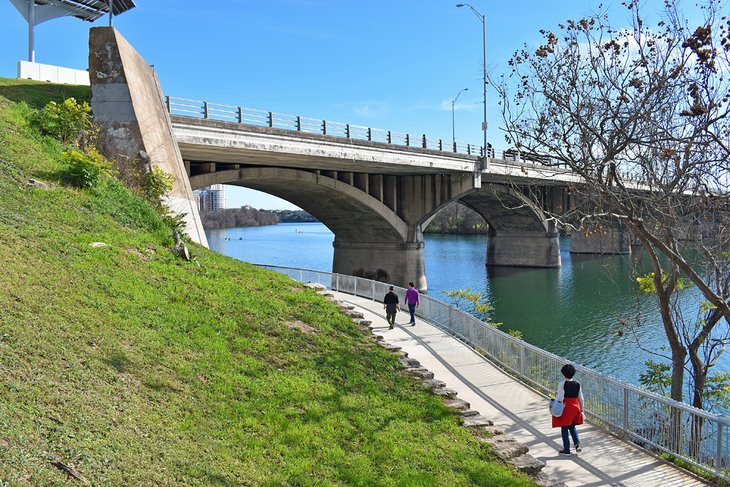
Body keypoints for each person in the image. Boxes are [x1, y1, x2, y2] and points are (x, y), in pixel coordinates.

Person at [552, 363, 585, 455]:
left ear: (563, 374)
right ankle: (577, 444)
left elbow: (560, 398)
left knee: (564, 427)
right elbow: (581, 398)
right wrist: (582, 409)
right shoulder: (577, 384)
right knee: (572, 425)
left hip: (566, 407)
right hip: (575, 407)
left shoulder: (562, 384)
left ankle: (566, 450)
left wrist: (556, 394)